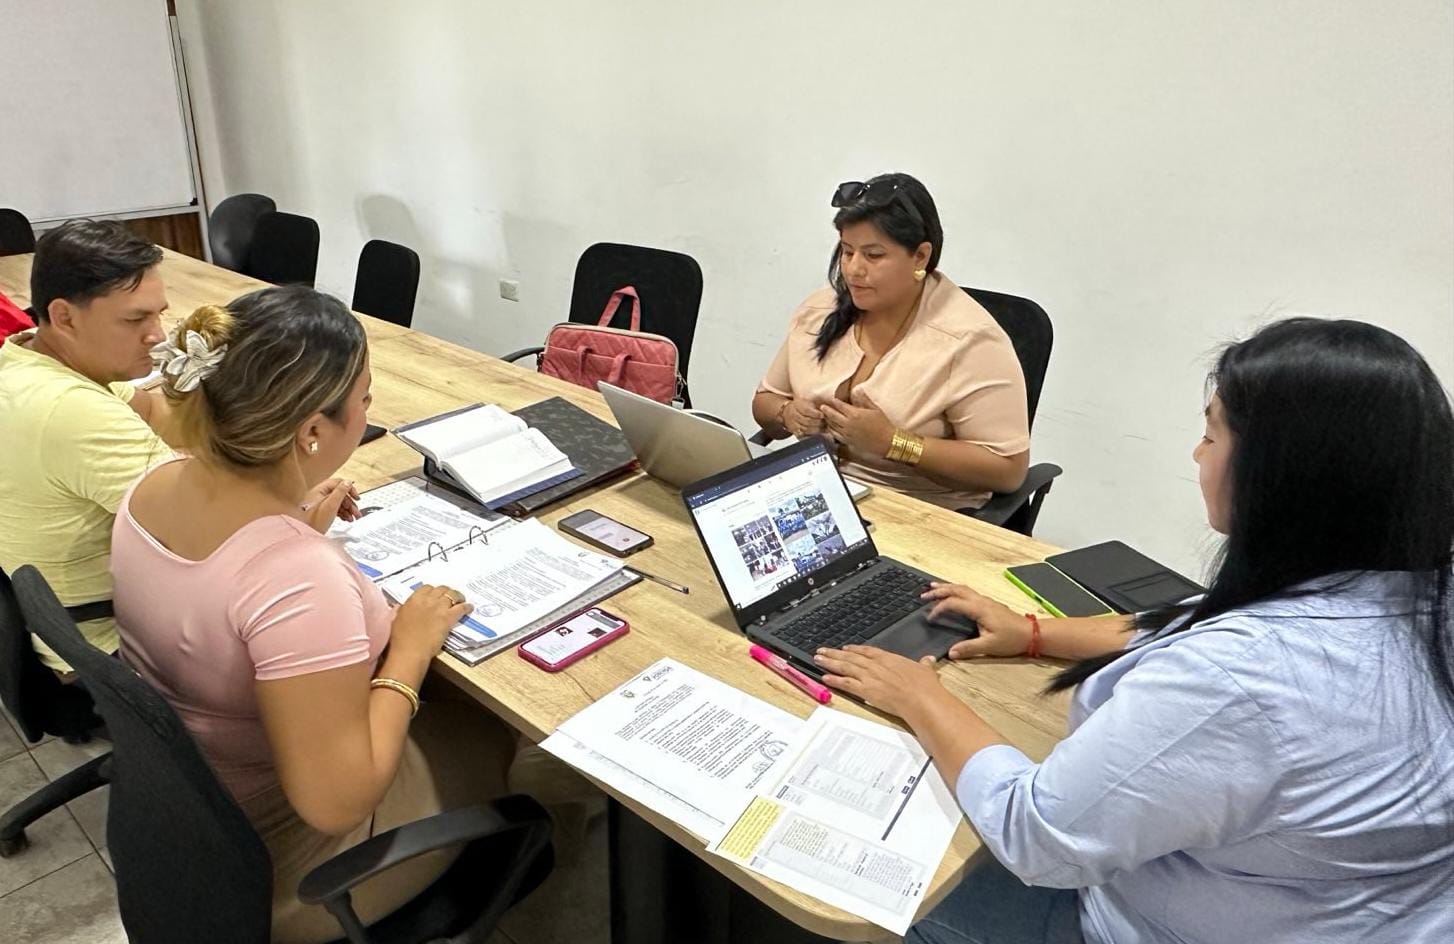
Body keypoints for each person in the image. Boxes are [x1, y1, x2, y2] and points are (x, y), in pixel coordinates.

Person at [814, 318, 1454, 943]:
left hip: (1138, 920)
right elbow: (1195, 620)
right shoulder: (1416, 592)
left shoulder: (1239, 680)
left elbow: (1033, 834)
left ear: (1281, 476)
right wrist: (1033, 632)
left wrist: (920, 697)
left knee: (862, 880)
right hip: (1372, 911)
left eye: (1211, 434)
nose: (1197, 453)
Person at [109, 286, 516, 943]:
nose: (367, 413)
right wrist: (411, 647)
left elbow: (217, 589)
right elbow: (336, 804)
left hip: (195, 820)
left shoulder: (152, 485)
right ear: (313, 433)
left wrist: (291, 518)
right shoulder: (297, 577)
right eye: (365, 401)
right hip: (288, 862)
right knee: (506, 731)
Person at [752, 173, 1030, 509]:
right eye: (847, 251)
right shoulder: (820, 310)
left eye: (873, 255)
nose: (854, 269)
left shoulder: (970, 341)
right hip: (819, 493)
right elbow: (766, 400)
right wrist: (786, 414)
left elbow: (1007, 470)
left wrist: (894, 442)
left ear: (920, 257)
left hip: (917, 510)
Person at [0, 220, 173, 672]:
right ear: (64, 317)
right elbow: (206, 535)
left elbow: (156, 413)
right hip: (109, 651)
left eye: (159, 314)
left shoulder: (26, 356)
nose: (158, 335)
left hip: (53, 627)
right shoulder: (74, 410)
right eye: (135, 319)